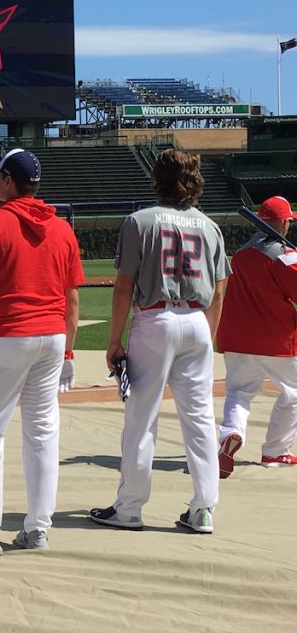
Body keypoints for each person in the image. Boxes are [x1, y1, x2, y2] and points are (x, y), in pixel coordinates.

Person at [91, 148, 230, 534]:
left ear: (158, 179)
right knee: (200, 419)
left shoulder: (139, 221)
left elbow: (124, 285)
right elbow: (219, 291)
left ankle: (130, 508)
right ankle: (204, 508)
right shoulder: (210, 225)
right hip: (197, 322)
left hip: (156, 318)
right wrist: (208, 337)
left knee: (141, 417)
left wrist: (114, 340)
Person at [0, 149, 83, 555]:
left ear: (10, 181)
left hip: (9, 333)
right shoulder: (62, 228)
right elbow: (73, 298)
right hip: (52, 336)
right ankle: (38, 527)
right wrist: (68, 351)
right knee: (43, 433)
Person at [216, 195, 297, 475]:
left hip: (237, 337)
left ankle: (230, 432)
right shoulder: (284, 254)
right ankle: (276, 451)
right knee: (293, 393)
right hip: (274, 338)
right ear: (284, 222)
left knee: (239, 392)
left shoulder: (241, 251)